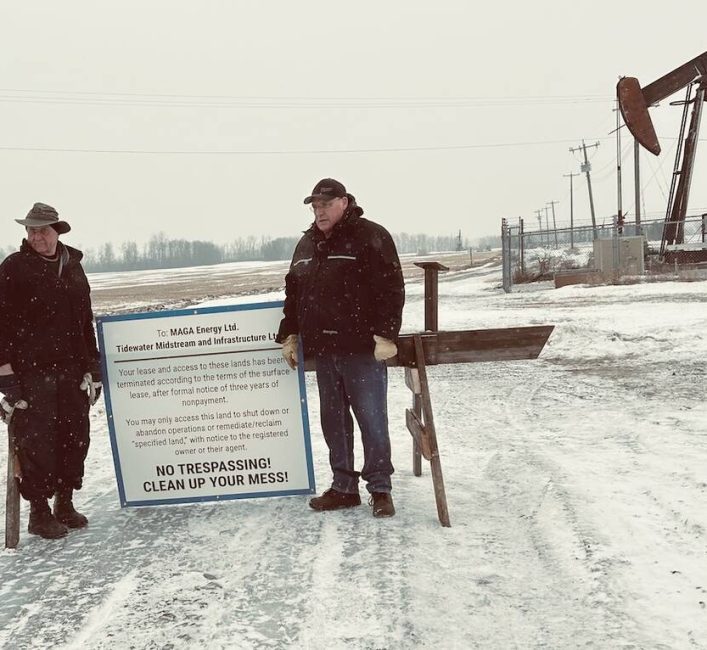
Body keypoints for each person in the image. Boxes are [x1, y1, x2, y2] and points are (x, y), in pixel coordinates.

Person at [276, 178, 405, 518]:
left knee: (371, 419)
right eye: (315, 206)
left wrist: (386, 334)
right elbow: (294, 293)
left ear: (344, 202)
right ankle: (344, 487)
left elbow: (391, 288)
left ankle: (380, 489)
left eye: (326, 204)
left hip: (362, 350)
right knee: (333, 422)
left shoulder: (370, 236)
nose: (319, 211)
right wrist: (289, 333)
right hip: (325, 350)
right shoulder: (306, 244)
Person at [0, 203, 102, 540]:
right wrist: (7, 380)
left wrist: (94, 367)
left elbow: (84, 321)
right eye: (31, 231)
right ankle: (39, 514)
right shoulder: (14, 268)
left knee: (74, 438)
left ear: (58, 231)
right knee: (38, 445)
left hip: (71, 371)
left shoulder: (73, 268)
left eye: (42, 230)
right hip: (32, 374)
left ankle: (64, 504)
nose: (36, 236)